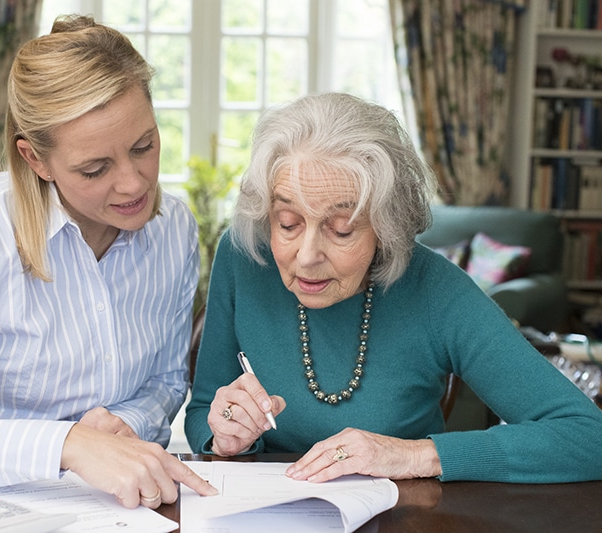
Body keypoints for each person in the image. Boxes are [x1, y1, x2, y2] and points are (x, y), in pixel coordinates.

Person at [0, 14, 217, 508]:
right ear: (35, 159)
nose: (135, 183)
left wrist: (122, 429)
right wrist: (68, 444)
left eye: (144, 146)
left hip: (118, 505)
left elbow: (164, 382)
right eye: (94, 169)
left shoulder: (174, 229)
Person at [184, 92, 602, 483]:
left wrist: (412, 455)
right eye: (288, 223)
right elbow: (204, 410)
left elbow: (587, 437)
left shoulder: (435, 289)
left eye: (342, 230)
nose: (307, 255)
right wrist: (226, 435)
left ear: (387, 228)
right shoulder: (244, 256)